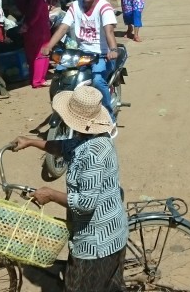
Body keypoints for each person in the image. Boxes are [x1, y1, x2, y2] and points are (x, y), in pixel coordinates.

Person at [11, 86, 128, 292]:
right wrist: (30, 142)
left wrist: (50, 194)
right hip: (102, 231)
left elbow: (85, 203)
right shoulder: (88, 138)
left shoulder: (94, 153)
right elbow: (63, 147)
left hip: (98, 241)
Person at [41, 0, 121, 119]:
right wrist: (49, 46)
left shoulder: (104, 7)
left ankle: (109, 117)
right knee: (60, 75)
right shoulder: (75, 7)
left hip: (101, 55)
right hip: (80, 54)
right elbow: (63, 27)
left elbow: (109, 31)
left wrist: (113, 50)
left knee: (98, 81)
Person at [16, 0, 52, 88]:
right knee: (42, 53)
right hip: (39, 29)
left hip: (30, 29)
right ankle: (38, 80)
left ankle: (33, 78)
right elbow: (36, 13)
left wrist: (26, 25)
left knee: (31, 55)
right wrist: (28, 24)